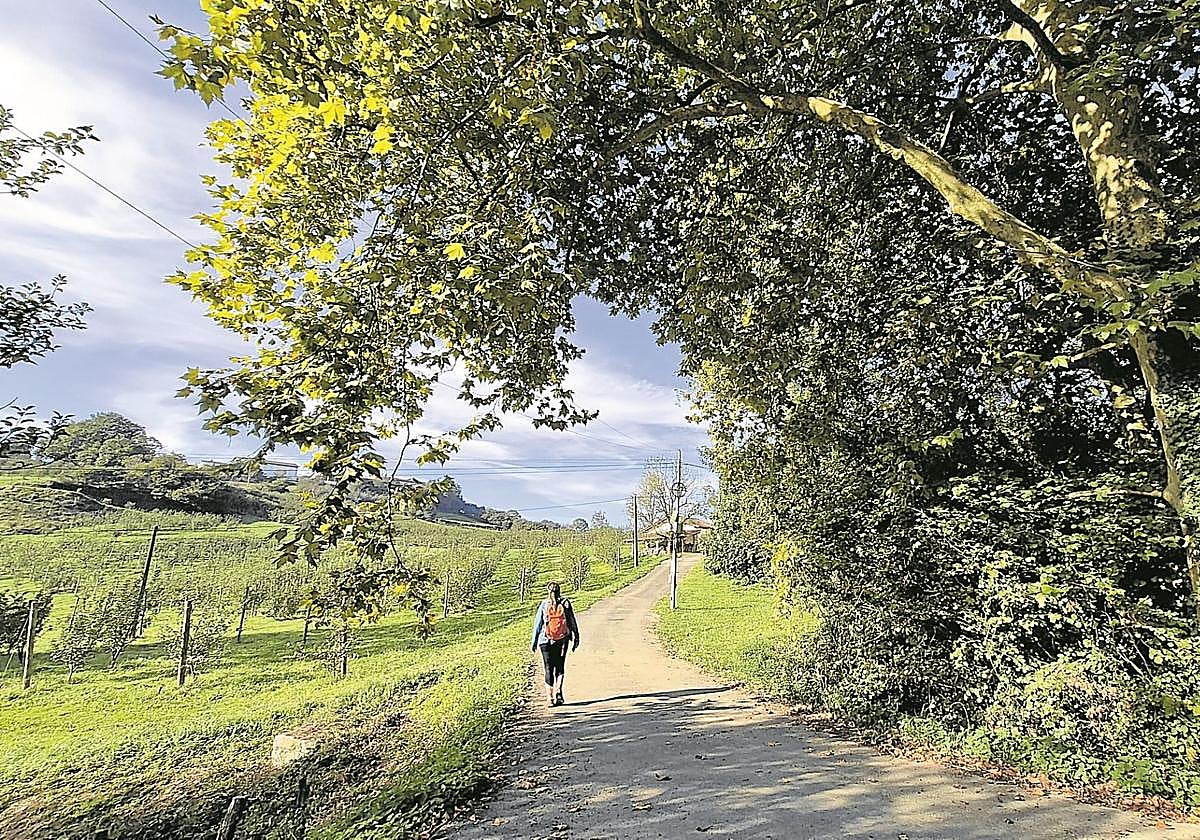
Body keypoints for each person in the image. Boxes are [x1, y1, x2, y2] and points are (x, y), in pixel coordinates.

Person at [530, 581, 579, 707]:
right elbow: (572, 621)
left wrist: (534, 642)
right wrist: (576, 636)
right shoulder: (566, 603)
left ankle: (549, 698)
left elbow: (537, 625)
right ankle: (558, 692)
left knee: (548, 667)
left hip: (544, 640)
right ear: (559, 591)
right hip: (562, 640)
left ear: (548, 591)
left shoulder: (544, 604)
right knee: (560, 666)